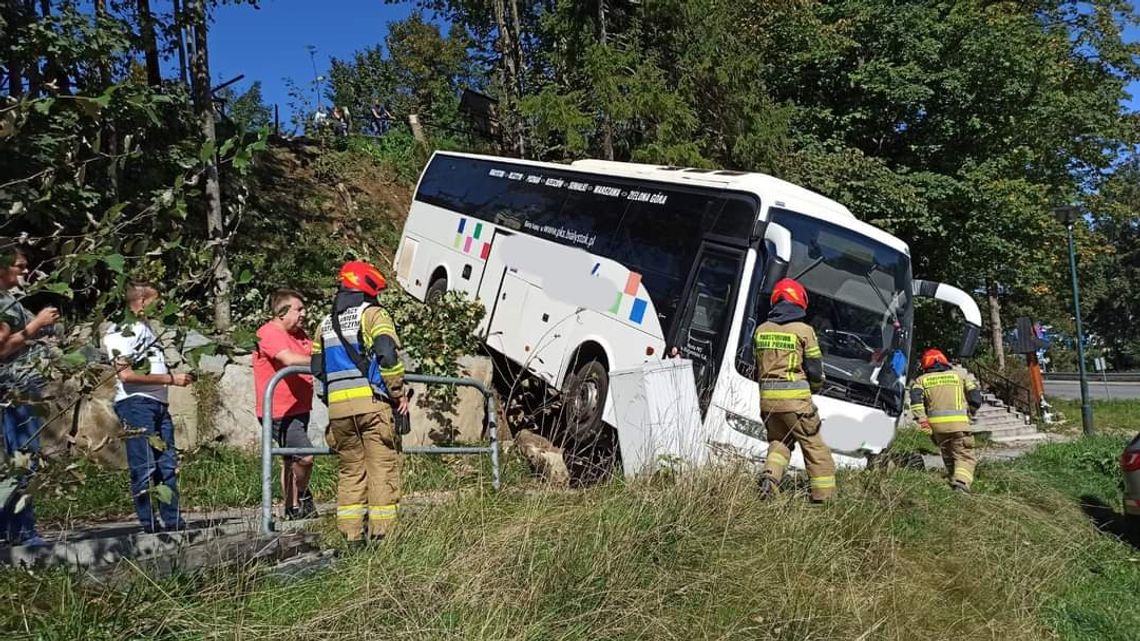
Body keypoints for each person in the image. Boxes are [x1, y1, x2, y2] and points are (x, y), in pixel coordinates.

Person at [310, 261, 408, 545]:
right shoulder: (374, 315)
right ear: (369, 287)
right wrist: (398, 394)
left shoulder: (324, 324)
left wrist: (331, 401)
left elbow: (317, 371)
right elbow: (387, 355)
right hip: (373, 404)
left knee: (351, 471)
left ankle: (351, 537)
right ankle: (382, 537)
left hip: (338, 411)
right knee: (381, 468)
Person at [103, 281, 194, 533]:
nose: (161, 307)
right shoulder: (122, 331)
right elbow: (126, 374)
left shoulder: (147, 330)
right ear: (142, 302)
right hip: (136, 403)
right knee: (144, 465)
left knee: (166, 463)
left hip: (157, 403)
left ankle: (173, 520)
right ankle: (148, 522)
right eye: (157, 301)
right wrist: (170, 379)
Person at [753, 277, 836, 502]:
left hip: (768, 403)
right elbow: (815, 370)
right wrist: (815, 388)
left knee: (780, 442)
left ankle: (770, 480)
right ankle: (824, 499)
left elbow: (756, 367)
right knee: (815, 447)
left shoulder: (761, 330)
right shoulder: (804, 331)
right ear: (800, 301)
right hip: (796, 403)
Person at [0, 245, 58, 547]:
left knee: (15, 461)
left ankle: (9, 529)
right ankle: (22, 531)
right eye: (20, 266)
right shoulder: (4, 304)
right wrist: (36, 324)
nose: (25, 271)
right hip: (16, 391)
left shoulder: (10, 302)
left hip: (19, 389)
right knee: (24, 459)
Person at [254, 288, 317, 520]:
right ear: (281, 312)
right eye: (298, 309)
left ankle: (292, 507)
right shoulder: (269, 332)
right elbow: (289, 359)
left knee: (290, 458)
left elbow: (314, 354)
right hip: (279, 411)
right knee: (305, 455)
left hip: (300, 407)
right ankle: (301, 497)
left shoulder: (300, 335)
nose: (303, 313)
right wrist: (323, 363)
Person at [910, 348, 983, 492]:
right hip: (959, 425)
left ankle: (953, 479)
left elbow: (915, 402)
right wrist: (971, 412)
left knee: (948, 454)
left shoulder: (921, 380)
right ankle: (961, 483)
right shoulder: (960, 375)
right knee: (964, 456)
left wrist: (923, 422)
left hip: (937, 428)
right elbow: (975, 396)